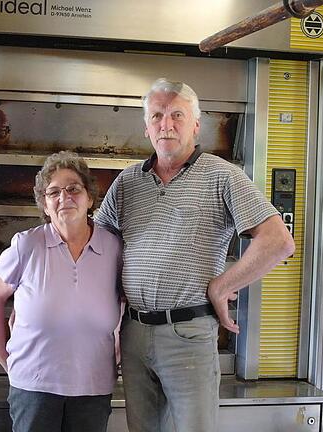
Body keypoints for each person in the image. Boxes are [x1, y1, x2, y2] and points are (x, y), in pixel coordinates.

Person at [95, 78, 295, 432]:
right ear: (146, 128)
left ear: (196, 124)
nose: (166, 125)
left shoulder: (223, 176)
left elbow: (278, 240)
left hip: (187, 333)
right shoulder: (127, 182)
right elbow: (96, 247)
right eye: (157, 116)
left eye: (177, 115)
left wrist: (222, 285)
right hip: (133, 333)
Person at [0, 151, 122, 432]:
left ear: (90, 198)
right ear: (45, 205)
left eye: (73, 189)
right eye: (53, 192)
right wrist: (0, 352)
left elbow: (127, 301)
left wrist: (118, 348)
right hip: (34, 386)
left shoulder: (114, 248)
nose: (64, 197)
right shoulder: (26, 245)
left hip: (93, 386)